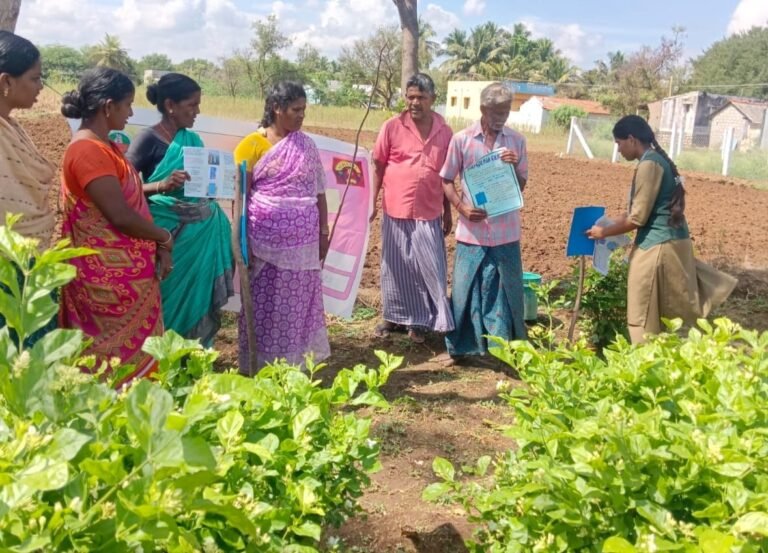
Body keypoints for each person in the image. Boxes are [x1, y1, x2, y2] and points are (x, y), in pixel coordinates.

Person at [59, 67, 172, 382]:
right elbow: (119, 215)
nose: (131, 113)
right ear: (108, 107)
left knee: (131, 370)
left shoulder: (103, 146)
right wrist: (163, 237)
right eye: (127, 105)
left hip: (127, 281)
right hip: (104, 286)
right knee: (106, 369)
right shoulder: (87, 151)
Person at [586, 115, 737, 344]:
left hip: (657, 245)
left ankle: (645, 357)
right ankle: (670, 352)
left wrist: (603, 233)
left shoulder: (649, 165)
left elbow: (638, 218)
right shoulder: (658, 161)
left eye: (619, 143)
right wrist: (612, 222)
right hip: (672, 241)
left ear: (632, 139)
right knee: (667, 306)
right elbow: (643, 209)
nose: (618, 149)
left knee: (641, 311)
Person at [126, 73, 234, 347]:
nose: (197, 111)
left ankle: (192, 356)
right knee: (166, 299)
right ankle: (158, 357)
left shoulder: (193, 140)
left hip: (201, 238)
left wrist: (217, 184)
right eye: (192, 105)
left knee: (198, 298)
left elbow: (200, 186)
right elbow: (123, 188)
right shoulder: (147, 139)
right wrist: (161, 185)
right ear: (170, 105)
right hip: (168, 237)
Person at [234, 81, 330, 370]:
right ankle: (258, 365)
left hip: (303, 246)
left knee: (296, 306)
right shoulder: (251, 145)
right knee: (263, 303)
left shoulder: (306, 145)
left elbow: (319, 191)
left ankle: (294, 365)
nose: (301, 115)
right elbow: (241, 196)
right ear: (277, 108)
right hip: (262, 243)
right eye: (295, 110)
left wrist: (323, 232)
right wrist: (240, 241)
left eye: (303, 109)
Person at [439, 83, 528, 362]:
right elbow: (446, 179)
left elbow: (521, 186)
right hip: (472, 231)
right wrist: (462, 208)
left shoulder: (516, 141)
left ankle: (505, 348)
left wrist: (514, 167)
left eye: (505, 111)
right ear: (482, 110)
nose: (501, 117)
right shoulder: (462, 140)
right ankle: (463, 348)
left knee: (506, 289)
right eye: (496, 112)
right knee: (465, 289)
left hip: (505, 231)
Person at [370, 73, 454, 344]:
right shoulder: (392, 127)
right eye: (411, 97)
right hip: (395, 206)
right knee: (395, 265)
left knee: (428, 265)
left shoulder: (445, 132)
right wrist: (371, 201)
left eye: (421, 97)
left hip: (429, 210)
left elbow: (447, 175)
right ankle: (393, 316)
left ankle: (422, 320)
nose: (415, 102)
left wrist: (448, 210)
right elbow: (378, 165)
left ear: (433, 99)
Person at [0, 31, 58, 345]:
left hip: (27, 261)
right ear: (6, 82)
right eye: (35, 78)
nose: (40, 87)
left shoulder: (13, 127)